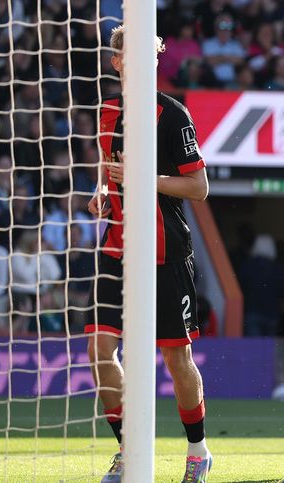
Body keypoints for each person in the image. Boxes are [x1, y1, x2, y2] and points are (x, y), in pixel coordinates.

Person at [86, 25, 212, 482]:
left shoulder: (171, 115)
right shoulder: (107, 111)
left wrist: (145, 179)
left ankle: (198, 450)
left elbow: (199, 188)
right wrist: (102, 189)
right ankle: (129, 450)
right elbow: (110, 171)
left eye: (151, 56)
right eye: (130, 55)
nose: (143, 63)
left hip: (165, 250)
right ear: (117, 61)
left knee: (177, 359)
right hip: (117, 243)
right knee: (100, 349)